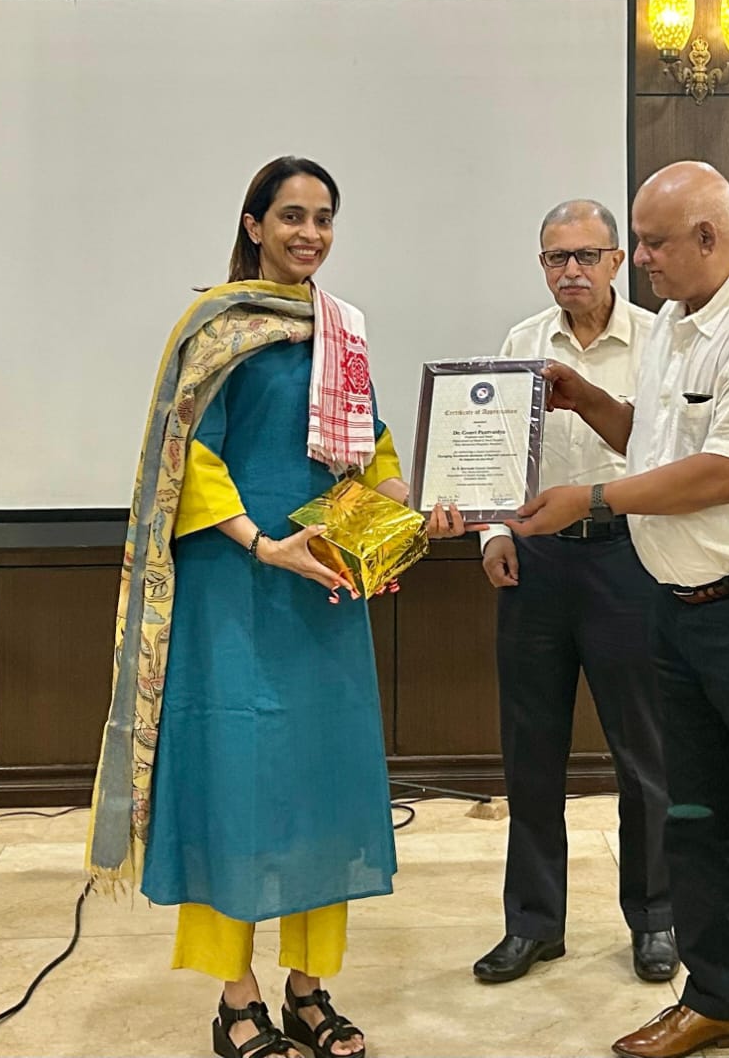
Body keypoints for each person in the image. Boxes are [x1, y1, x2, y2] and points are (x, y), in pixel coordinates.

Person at [87, 156, 465, 1058]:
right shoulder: (217, 327)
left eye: (324, 217)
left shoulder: (342, 331)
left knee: (323, 782)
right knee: (237, 781)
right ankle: (237, 998)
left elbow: (369, 451)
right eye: (292, 215)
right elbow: (189, 457)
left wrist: (415, 503)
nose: (311, 233)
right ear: (254, 226)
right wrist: (263, 544)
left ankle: (308, 987)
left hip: (324, 590)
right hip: (235, 587)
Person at [508, 163, 729, 1058]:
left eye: (655, 243)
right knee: (693, 817)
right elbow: (658, 448)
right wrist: (588, 400)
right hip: (678, 610)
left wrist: (590, 498)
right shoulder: (670, 323)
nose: (642, 259)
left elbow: (722, 475)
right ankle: (717, 997)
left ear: (710, 236)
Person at [473, 199, 677, 987]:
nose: (572, 271)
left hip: (632, 559)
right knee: (530, 754)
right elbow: (495, 457)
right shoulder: (520, 344)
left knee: (645, 754)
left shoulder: (661, 342)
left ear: (618, 261)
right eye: (557, 258)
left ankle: (656, 918)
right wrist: (494, 535)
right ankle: (533, 925)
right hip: (536, 564)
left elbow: (668, 456)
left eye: (588, 256)